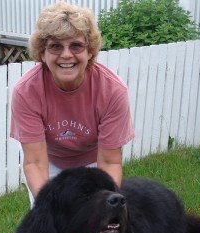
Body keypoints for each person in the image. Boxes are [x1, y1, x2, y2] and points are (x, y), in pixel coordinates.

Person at [10, 1, 134, 207]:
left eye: (76, 45)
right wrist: (49, 208)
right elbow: (35, 162)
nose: (66, 55)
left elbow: (110, 162)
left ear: (90, 52)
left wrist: (104, 205)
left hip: (94, 162)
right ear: (42, 53)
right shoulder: (26, 91)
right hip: (50, 164)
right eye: (56, 46)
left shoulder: (112, 90)